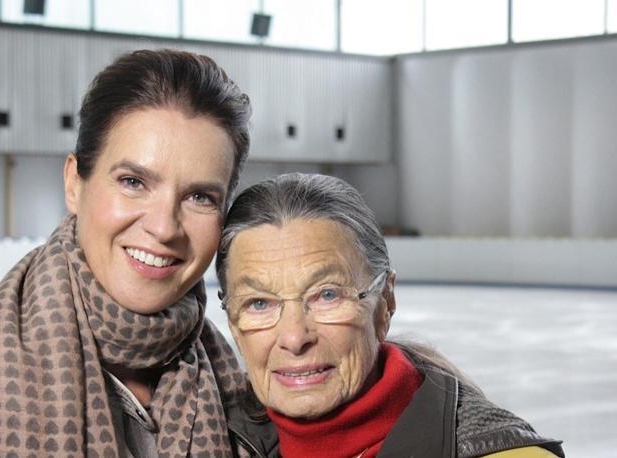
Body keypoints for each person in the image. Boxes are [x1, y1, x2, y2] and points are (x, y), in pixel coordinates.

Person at [0, 49, 278, 458]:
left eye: (200, 196)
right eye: (133, 181)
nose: (164, 226)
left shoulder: (241, 394)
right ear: (74, 184)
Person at [215, 173, 565, 458]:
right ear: (232, 320)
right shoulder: (210, 439)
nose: (294, 338)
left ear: (384, 303)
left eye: (327, 294)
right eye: (258, 303)